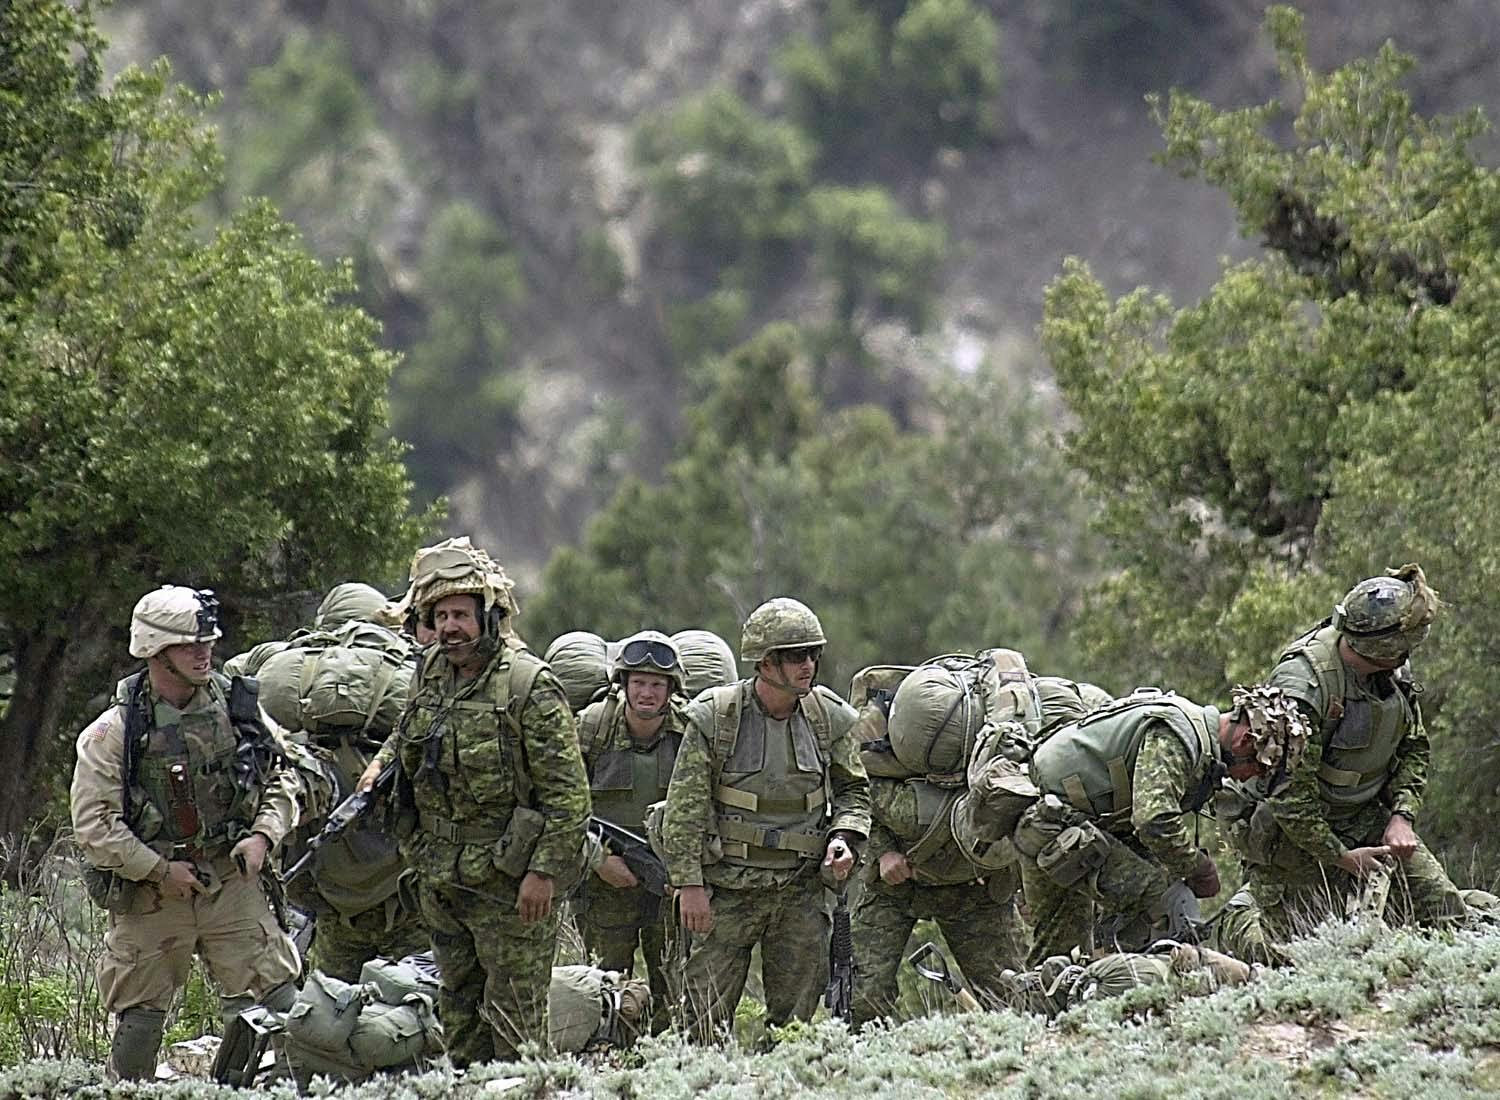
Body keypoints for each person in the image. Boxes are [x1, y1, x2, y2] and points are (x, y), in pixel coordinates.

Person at [360, 537, 590, 1065]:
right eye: (440, 616)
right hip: (442, 876)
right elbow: (409, 732)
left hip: (509, 885)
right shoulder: (431, 672)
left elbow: (569, 796)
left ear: (487, 617)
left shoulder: (529, 685)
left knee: (516, 1023)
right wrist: (379, 767)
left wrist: (543, 874)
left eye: (460, 615)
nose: (449, 628)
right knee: (458, 1011)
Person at [71, 585, 303, 1079]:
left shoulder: (238, 709)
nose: (204, 653)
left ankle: (293, 1087)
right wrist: (159, 870)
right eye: (188, 645)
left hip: (229, 876)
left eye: (207, 642)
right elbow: (94, 825)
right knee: (140, 1013)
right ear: (156, 651)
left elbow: (283, 773)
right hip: (153, 891)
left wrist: (263, 835)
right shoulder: (116, 732)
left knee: (280, 999)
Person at [1217, 565, 1467, 963]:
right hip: (1295, 835)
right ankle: (1238, 917)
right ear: (1381, 646)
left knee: (1447, 914)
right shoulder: (1304, 688)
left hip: (1362, 814)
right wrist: (1344, 858)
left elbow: (1414, 746)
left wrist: (1401, 816)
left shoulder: (1393, 670)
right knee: (1291, 957)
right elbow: (1290, 800)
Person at [659, 597, 871, 1043]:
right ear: (765, 662)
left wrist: (844, 837)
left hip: (799, 891)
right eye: (795, 656)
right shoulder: (717, 718)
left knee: (793, 1030)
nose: (807, 665)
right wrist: (689, 885)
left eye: (812, 654)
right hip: (727, 891)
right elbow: (685, 808)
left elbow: (854, 790)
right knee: (701, 1026)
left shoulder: (827, 718)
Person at [1013, 683, 1309, 965]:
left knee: (1064, 947)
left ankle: (1108, 977)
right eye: (1258, 769)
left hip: (1073, 826)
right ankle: (1140, 981)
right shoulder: (1179, 736)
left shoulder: (1197, 740)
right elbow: (1153, 820)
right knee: (1164, 902)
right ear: (1245, 742)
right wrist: (1197, 867)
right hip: (1049, 820)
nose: (1249, 778)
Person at [573, 630, 691, 1031]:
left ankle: (667, 1055)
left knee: (674, 986)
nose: (646, 693)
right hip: (603, 882)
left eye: (657, 684)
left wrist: (688, 874)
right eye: (638, 682)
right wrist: (598, 859)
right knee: (601, 988)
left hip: (670, 881)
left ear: (671, 689)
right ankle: (605, 1055)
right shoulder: (591, 728)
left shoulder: (691, 732)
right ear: (623, 683)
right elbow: (558, 804)